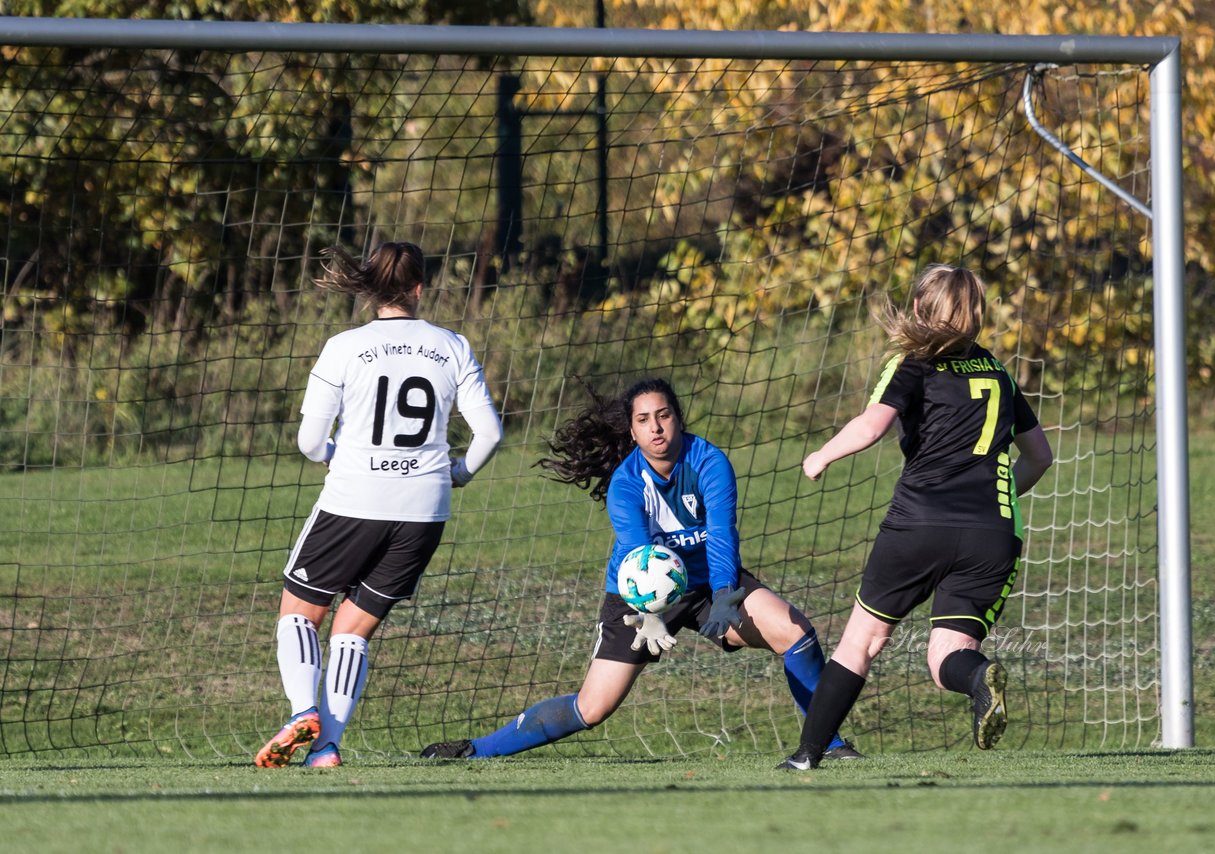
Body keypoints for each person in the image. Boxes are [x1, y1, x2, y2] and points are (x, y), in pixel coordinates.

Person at [420, 378, 860, 761]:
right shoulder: (626, 484)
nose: (656, 427)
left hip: (709, 584)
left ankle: (829, 745)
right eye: (644, 419)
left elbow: (723, 535)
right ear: (631, 431)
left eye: (664, 415)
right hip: (638, 595)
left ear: (678, 419)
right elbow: (638, 557)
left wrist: (726, 595)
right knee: (592, 708)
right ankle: (478, 748)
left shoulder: (709, 462)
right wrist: (647, 613)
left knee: (794, 631)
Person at [778, 264, 1054, 770]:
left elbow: (871, 426)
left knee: (863, 640)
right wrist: (999, 496)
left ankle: (806, 755)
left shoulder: (913, 362)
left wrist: (820, 456)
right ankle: (977, 679)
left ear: (924, 308)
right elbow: (1040, 455)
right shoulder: (996, 370)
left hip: (919, 526)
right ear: (976, 312)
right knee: (944, 655)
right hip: (993, 535)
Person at [254, 241, 503, 768]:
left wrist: (337, 457)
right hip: (425, 508)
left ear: (371, 291)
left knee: (299, 613)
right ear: (418, 288)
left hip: (354, 497)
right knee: (354, 629)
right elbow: (489, 434)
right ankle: (325, 749)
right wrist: (456, 473)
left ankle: (303, 712)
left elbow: (309, 442)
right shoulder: (452, 345)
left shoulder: (344, 346)